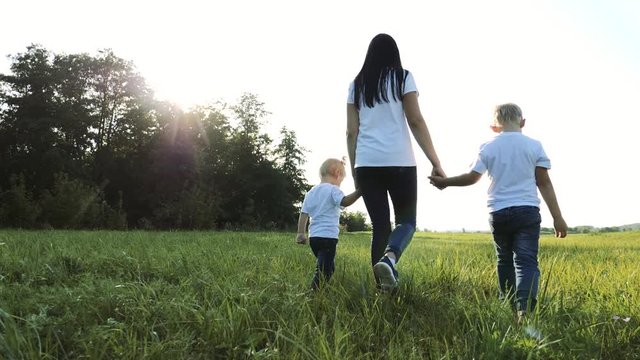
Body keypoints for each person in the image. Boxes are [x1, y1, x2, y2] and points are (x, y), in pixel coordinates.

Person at [428, 103, 568, 320]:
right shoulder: (535, 146)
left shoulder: (488, 146)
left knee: (504, 259)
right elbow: (544, 183)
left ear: (494, 127)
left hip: (499, 213)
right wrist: (558, 218)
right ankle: (525, 310)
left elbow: (471, 178)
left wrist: (445, 182)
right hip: (527, 211)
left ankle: (508, 305)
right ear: (523, 122)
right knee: (526, 261)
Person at [346, 33, 445, 292]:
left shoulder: (356, 85)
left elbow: (351, 132)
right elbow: (416, 121)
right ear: (395, 54)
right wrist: (435, 161)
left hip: (366, 163)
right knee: (406, 222)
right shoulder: (403, 77)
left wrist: (356, 170)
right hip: (400, 161)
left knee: (380, 226)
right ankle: (389, 260)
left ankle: (382, 290)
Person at [296, 158, 361, 290]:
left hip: (314, 237)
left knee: (328, 267)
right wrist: (360, 191)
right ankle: (312, 293)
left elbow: (304, 214)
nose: (340, 184)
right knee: (324, 271)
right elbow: (345, 201)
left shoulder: (311, 192)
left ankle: (321, 290)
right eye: (341, 180)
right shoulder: (333, 190)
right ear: (337, 173)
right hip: (328, 237)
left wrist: (300, 233)